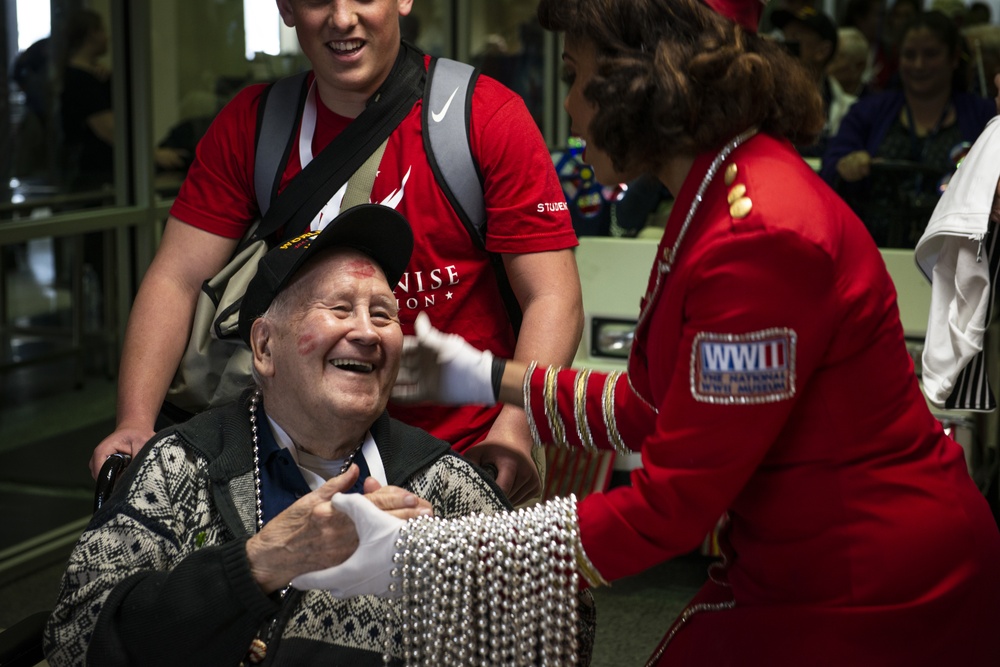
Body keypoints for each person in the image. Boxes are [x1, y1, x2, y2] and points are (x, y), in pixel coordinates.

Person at [311, 0, 1000, 664]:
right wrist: (482, 374)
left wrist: (432, 557)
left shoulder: (756, 234)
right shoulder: (715, 189)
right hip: (800, 558)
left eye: (576, 75)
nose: (574, 105)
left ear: (637, 77)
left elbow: (671, 506)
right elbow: (652, 408)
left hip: (873, 586)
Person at [42, 204, 590, 666]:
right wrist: (256, 564)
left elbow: (567, 633)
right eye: (338, 309)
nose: (367, 333)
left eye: (383, 314)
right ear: (264, 348)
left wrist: (455, 588)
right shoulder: (183, 465)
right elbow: (73, 635)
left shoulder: (442, 486)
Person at [88, 0, 583, 506]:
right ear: (285, 7)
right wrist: (134, 420)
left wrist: (515, 427)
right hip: (295, 473)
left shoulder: (482, 118)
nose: (342, 18)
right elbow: (177, 277)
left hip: (463, 454)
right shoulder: (254, 128)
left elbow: (552, 295)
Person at [821, 10, 996, 247]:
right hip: (875, 249)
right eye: (909, 55)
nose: (919, 64)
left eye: (931, 54)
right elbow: (831, 167)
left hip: (955, 257)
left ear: (954, 58)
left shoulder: (984, 116)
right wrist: (846, 164)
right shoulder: (867, 111)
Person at [771, 7, 856, 159]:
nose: (784, 46)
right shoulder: (766, 99)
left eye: (794, 40)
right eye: (783, 38)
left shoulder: (848, 109)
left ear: (822, 51)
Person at [828, 27, 873, 99]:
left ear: (859, 66)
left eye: (835, 59)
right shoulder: (819, 95)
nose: (827, 64)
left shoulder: (875, 105)